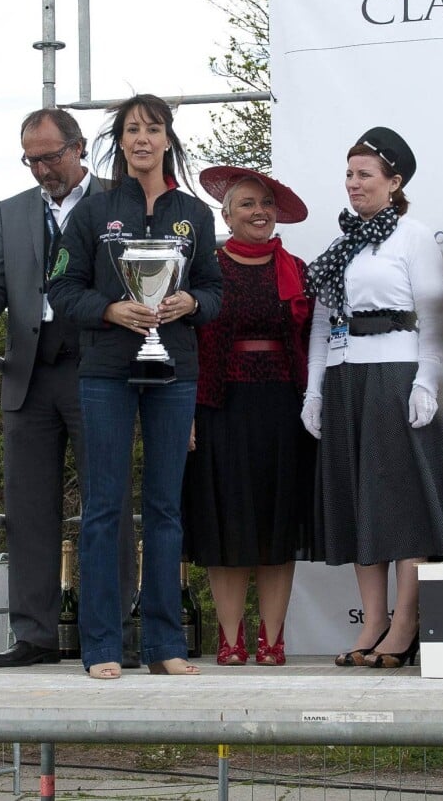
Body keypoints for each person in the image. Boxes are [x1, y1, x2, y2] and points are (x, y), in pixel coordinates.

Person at [0, 108, 138, 668]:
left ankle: (112, 630)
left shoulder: (120, 199)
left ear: (78, 148)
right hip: (28, 374)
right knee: (27, 510)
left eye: (50, 157)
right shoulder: (10, 213)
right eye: (31, 159)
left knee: (108, 502)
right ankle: (34, 634)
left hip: (99, 364)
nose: (40, 169)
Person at [49, 93, 222, 679]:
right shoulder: (94, 213)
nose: (142, 139)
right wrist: (110, 312)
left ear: (168, 138)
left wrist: (191, 301)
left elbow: (216, 292)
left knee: (166, 507)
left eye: (153, 128)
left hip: (174, 370)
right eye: (131, 130)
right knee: (104, 505)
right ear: (119, 142)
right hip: (106, 371)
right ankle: (101, 646)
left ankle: (164, 644)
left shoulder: (195, 215)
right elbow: (62, 288)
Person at [302, 126, 443, 669]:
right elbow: (324, 324)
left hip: (396, 375)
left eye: (364, 174)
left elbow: (436, 318)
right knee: (357, 504)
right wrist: (314, 390)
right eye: (348, 174)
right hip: (348, 381)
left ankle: (406, 621)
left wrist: (426, 381)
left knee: (402, 507)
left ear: (394, 182)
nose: (353, 183)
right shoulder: (339, 246)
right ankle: (372, 621)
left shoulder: (412, 237)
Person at [181, 165, 315, 667]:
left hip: (284, 408)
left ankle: (273, 639)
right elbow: (186, 344)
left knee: (278, 524)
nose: (258, 212)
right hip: (219, 406)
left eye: (265, 204)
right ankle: (231, 638)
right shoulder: (204, 269)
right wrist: (186, 413)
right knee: (226, 521)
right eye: (246, 205)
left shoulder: (299, 269)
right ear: (227, 215)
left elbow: (311, 342)